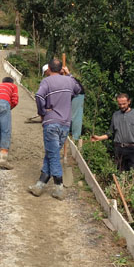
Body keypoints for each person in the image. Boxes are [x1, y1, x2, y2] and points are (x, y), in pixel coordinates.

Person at [29, 58, 80, 200]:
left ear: (49, 69)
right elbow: (80, 90)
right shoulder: (69, 81)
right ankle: (39, 185)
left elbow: (39, 95)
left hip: (51, 122)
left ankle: (59, 187)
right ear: (61, 69)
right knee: (52, 154)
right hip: (65, 124)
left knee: (53, 155)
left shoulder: (46, 81)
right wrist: (69, 75)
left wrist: (43, 111)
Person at [90, 93, 134, 175]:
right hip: (119, 149)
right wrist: (99, 138)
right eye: (120, 104)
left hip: (133, 149)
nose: (122, 106)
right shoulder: (115, 115)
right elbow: (111, 132)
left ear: (129, 102)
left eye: (124, 104)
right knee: (120, 174)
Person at [61, 65, 85, 148]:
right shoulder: (56, 77)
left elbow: (74, 84)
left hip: (78, 94)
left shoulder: (68, 77)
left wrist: (67, 73)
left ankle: (75, 138)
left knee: (75, 116)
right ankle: (68, 134)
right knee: (68, 114)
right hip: (69, 95)